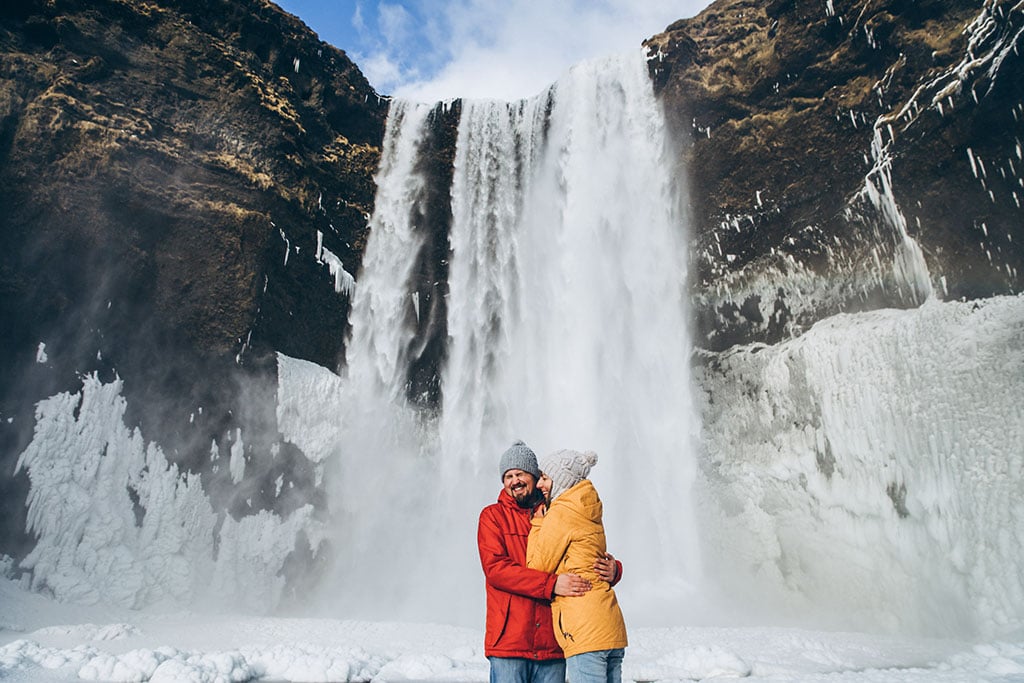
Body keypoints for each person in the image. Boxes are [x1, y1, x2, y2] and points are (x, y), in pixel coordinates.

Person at [478, 441, 621, 683]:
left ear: (535, 477)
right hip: (509, 640)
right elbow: (496, 571)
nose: (515, 481)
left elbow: (585, 550)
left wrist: (614, 569)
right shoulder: (493, 517)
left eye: (521, 474)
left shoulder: (559, 511)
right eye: (508, 476)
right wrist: (551, 584)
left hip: (553, 640)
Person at [527, 449, 627, 683]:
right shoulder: (588, 505)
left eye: (545, 477)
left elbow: (536, 567)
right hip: (610, 626)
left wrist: (539, 524)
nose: (540, 484)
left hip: (584, 629)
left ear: (560, 479)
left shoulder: (562, 512)